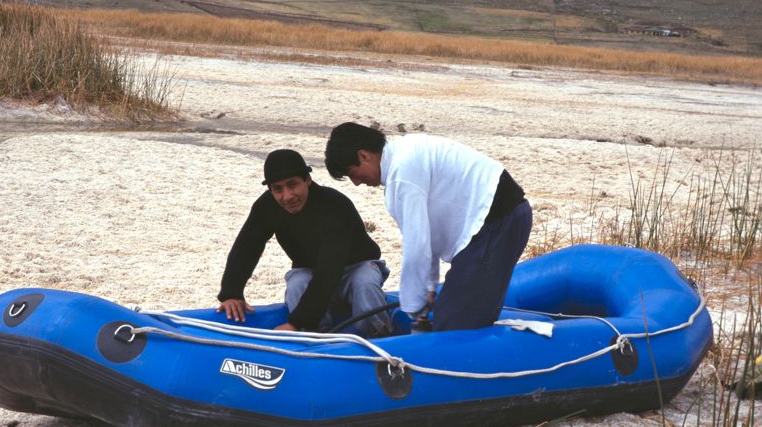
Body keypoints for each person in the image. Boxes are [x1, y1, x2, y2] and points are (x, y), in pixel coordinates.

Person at [324, 122, 532, 332]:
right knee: (452, 313)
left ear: (364, 156)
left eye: (352, 173)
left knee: (455, 325)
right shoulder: (403, 155)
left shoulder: (403, 171)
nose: (356, 182)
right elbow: (428, 234)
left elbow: (417, 244)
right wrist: (429, 286)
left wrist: (414, 305)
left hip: (498, 220)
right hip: (491, 222)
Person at [217, 148, 392, 336]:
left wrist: (295, 323)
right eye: (278, 189)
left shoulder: (335, 206)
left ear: (308, 180)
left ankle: (378, 338)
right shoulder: (266, 206)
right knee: (297, 283)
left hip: (357, 267)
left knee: (364, 283)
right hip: (310, 270)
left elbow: (330, 269)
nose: (287, 196)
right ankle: (314, 337)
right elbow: (246, 247)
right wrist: (231, 293)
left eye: (292, 185)